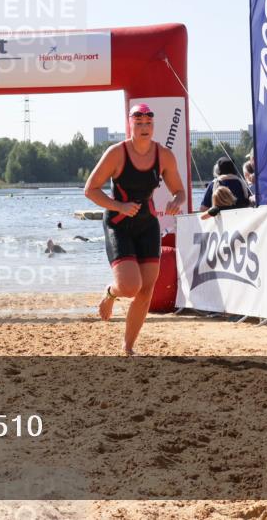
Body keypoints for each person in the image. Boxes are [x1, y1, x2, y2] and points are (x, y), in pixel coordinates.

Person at [84, 103, 185, 355]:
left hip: (147, 224)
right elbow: (90, 189)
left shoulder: (164, 155)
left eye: (148, 124)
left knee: (147, 288)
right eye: (138, 124)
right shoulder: (116, 153)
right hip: (119, 224)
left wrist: (176, 202)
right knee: (130, 287)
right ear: (130, 125)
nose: (144, 128)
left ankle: (128, 347)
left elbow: (180, 191)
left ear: (153, 127)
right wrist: (118, 205)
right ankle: (110, 293)